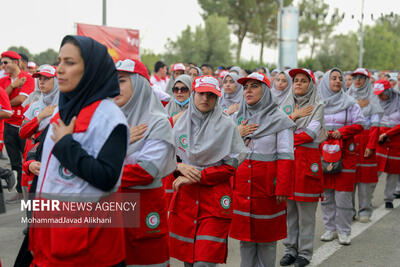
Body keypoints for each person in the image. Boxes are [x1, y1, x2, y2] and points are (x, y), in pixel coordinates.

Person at [29, 35, 128, 266]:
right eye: (59, 61)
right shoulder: (62, 109)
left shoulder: (110, 118)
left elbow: (107, 177)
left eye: (70, 63)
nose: (60, 70)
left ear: (90, 69)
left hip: (89, 247)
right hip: (53, 238)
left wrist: (66, 146)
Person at [169, 75, 246, 267]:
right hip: (186, 200)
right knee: (189, 259)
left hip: (214, 201)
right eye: (201, 94)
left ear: (217, 98)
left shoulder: (227, 125)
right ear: (194, 94)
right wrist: (178, 167)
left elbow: (231, 164)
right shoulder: (179, 125)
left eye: (211, 95)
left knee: (204, 262)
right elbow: (168, 158)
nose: (205, 99)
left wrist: (199, 176)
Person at [230, 72, 295, 267]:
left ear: (266, 91)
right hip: (242, 186)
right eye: (245, 87)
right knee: (246, 239)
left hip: (268, 187)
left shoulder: (280, 119)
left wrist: (282, 187)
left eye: (254, 86)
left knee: (267, 240)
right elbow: (226, 151)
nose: (248, 91)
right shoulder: (237, 117)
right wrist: (237, 133)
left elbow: (286, 155)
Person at [115, 59, 176, 267]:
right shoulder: (108, 119)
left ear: (140, 84)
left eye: (122, 81)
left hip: (143, 208)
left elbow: (146, 170)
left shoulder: (158, 121)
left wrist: (99, 173)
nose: (114, 87)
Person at [279, 68, 325, 267]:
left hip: (307, 165)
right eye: (296, 80)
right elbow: (276, 130)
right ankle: (290, 250)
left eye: (303, 80)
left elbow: (311, 134)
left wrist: (287, 131)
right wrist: (294, 117)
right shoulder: (285, 104)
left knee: (306, 214)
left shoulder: (318, 105)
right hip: (288, 165)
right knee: (289, 211)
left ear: (310, 84)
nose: (298, 83)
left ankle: (304, 253)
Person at [318, 68, 365, 245]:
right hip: (324, 154)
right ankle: (330, 229)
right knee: (327, 195)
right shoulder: (319, 102)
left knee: (343, 195)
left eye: (339, 78)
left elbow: (360, 123)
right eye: (333, 78)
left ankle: (344, 231)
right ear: (325, 82)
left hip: (345, 154)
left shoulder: (350, 102)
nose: (337, 81)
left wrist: (342, 132)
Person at [347, 68, 383, 223]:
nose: (358, 80)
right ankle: (348, 211)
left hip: (366, 140)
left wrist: (371, 145)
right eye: (355, 77)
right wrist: (356, 104)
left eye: (361, 78)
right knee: (348, 178)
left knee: (365, 181)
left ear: (367, 80)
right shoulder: (347, 96)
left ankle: (365, 210)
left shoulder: (372, 99)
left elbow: (375, 126)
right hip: (350, 140)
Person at [0, 50, 35, 202]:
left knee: (27, 160)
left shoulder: (28, 78)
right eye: (2, 63)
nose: (3, 65)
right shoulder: (4, 80)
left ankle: (31, 192)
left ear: (16, 62)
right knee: (14, 161)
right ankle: (19, 191)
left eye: (5, 62)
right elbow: (2, 98)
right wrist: (13, 86)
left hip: (23, 125)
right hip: (8, 125)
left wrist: (6, 100)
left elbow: (21, 99)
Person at [19, 64, 59, 196]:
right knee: (31, 211)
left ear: (56, 80)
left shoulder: (64, 105)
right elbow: (22, 132)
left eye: (46, 78)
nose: (41, 81)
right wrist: (40, 117)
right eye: (39, 78)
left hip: (53, 164)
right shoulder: (34, 106)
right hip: (31, 163)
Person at [373, 79, 400, 209]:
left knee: (393, 174)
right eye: (378, 94)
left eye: (382, 93)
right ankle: (368, 200)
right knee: (374, 173)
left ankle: (389, 199)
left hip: (396, 143)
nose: (380, 96)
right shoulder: (375, 102)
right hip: (379, 142)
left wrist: (387, 134)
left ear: (389, 91)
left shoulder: (399, 102)